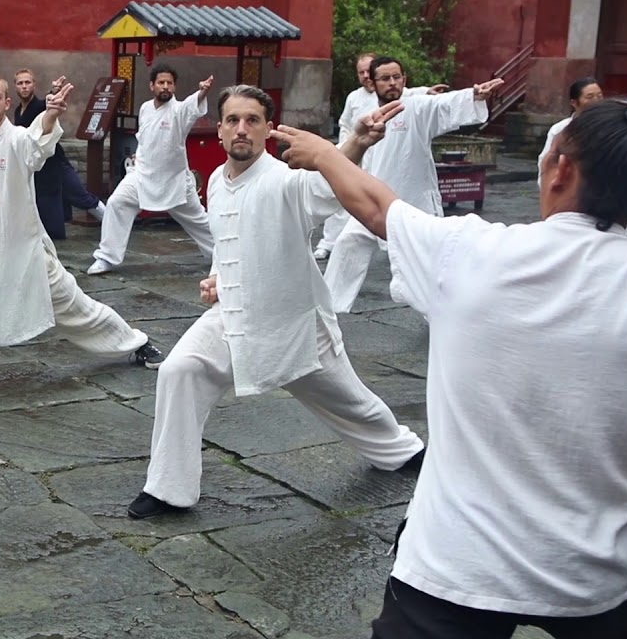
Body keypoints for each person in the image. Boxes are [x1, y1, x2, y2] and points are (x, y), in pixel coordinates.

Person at [275, 96, 627, 638]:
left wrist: (324, 154)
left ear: (561, 170)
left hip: (454, 564)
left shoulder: (471, 253)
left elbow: (379, 208)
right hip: (594, 575)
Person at [127, 86, 424, 520]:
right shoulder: (216, 180)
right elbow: (228, 242)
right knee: (180, 370)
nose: (241, 129)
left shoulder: (285, 179)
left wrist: (356, 143)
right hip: (234, 315)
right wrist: (218, 278)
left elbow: (323, 188)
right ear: (220, 129)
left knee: (350, 401)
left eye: (252, 120)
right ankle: (168, 490)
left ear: (268, 129)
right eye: (233, 120)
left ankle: (401, 449)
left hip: (295, 323)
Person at [0, 74, 165, 392]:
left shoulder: (17, 139)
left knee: (80, 311)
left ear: (7, 103)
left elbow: (36, 145)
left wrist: (50, 114)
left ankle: (136, 343)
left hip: (26, 257)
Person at [322, 56, 503, 312]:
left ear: (404, 80)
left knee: (429, 262)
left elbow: (443, 104)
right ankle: (328, 309)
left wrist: (473, 96)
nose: (392, 83)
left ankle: (441, 314)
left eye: (397, 77)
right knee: (348, 242)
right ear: (372, 84)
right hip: (375, 196)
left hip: (415, 200)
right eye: (385, 78)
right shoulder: (366, 115)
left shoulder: (417, 108)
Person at [313, 53, 445, 260]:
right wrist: (350, 149)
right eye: (361, 73)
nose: (365, 76)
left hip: (391, 166)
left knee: (412, 242)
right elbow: (345, 124)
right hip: (359, 157)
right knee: (343, 206)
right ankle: (328, 242)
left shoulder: (400, 96)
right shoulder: (354, 98)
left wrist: (428, 92)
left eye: (368, 71)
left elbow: (414, 95)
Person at [87, 65, 216, 276]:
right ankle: (106, 258)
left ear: (174, 87)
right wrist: (138, 156)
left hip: (174, 181)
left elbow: (191, 106)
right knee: (117, 203)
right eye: (161, 82)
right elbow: (145, 138)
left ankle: (221, 254)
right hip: (142, 176)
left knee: (199, 220)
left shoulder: (179, 111)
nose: (165, 87)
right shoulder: (146, 108)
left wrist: (202, 92)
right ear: (152, 85)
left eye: (169, 83)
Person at [13, 69, 105, 240]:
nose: (24, 86)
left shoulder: (40, 106)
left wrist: (54, 92)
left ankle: (112, 222)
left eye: (27, 82)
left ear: (34, 85)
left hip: (55, 162)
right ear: (16, 87)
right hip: (38, 167)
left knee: (80, 196)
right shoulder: (18, 111)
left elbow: (48, 106)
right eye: (20, 83)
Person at [536, 77, 605, 187]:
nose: (596, 101)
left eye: (599, 96)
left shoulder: (610, 127)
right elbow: (546, 162)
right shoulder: (560, 129)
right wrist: (547, 188)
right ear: (574, 102)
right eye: (590, 97)